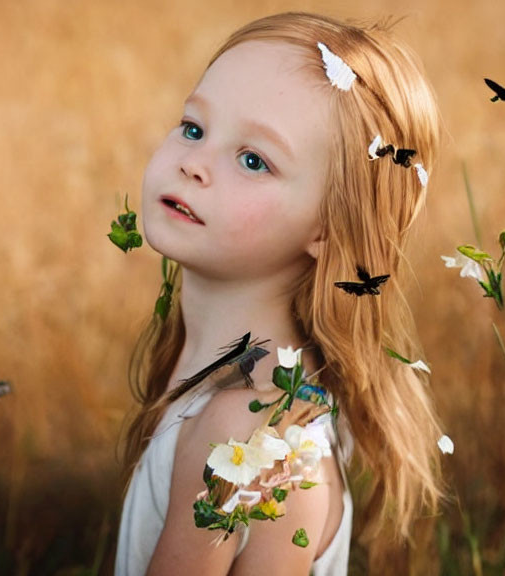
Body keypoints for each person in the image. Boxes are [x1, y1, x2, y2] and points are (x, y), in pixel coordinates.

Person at [116, 12, 445, 575]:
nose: (194, 164)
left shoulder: (245, 428)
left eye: (253, 160)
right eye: (194, 128)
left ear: (328, 228)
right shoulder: (247, 391)